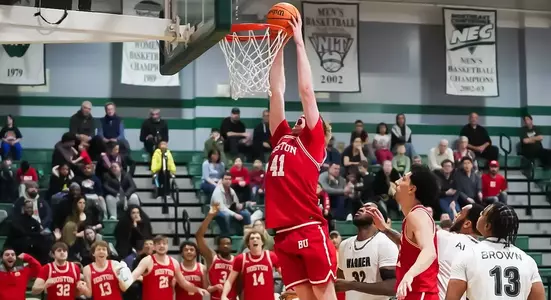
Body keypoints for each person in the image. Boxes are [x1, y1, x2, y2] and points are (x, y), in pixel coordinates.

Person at [266, 16, 337, 300]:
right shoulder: (281, 136)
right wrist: (278, 46)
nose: (298, 117)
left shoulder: (313, 142)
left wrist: (298, 41)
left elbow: (306, 92)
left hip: (307, 225)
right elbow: (277, 92)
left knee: (324, 295)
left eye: (304, 118)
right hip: (283, 234)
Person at [366, 165, 440, 300]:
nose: (397, 182)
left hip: (420, 293)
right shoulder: (414, 215)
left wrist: (409, 275)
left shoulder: (417, 215)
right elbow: (409, 246)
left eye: (404, 179)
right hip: (412, 293)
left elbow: (430, 252)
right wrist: (385, 229)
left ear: (412, 189)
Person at [446, 203, 545, 300]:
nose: (479, 215)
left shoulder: (468, 255)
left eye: (482, 214)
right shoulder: (527, 261)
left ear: (487, 226)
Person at [335, 204, 398, 300]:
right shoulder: (344, 245)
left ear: (379, 218)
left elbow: (393, 286)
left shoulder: (385, 243)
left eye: (368, 208)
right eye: (361, 207)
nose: (361, 209)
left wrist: (353, 285)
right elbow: (341, 282)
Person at [131, 235, 209, 299]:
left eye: (164, 243)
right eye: (158, 244)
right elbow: (133, 276)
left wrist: (197, 289)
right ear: (154, 247)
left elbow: (184, 283)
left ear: (167, 246)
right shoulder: (147, 260)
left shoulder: (174, 263)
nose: (162, 246)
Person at [436, 203, 484, 300]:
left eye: (460, 213)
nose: (456, 215)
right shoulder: (483, 251)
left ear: (467, 224)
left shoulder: (443, 237)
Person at [195, 205, 238, 300]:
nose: (225, 246)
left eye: (227, 244)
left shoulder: (237, 261)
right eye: (223, 244)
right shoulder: (212, 257)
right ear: (218, 246)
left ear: (231, 246)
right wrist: (210, 216)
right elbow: (199, 236)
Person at [221, 230, 279, 300]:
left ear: (262, 242)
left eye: (258, 238)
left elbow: (284, 274)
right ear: (248, 243)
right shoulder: (241, 258)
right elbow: (229, 281)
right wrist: (223, 295)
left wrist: (291, 288)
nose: (255, 240)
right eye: (252, 238)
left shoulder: (270, 256)